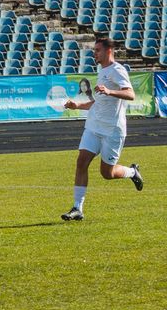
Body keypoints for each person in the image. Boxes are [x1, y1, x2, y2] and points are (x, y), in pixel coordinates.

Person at [60, 38, 143, 221]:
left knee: (107, 173)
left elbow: (130, 94)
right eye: (94, 50)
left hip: (112, 130)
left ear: (109, 51)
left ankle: (132, 172)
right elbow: (99, 103)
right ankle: (77, 209)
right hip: (94, 127)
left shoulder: (117, 70)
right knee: (81, 162)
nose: (95, 54)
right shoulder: (102, 71)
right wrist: (78, 105)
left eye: (97, 50)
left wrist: (110, 91)